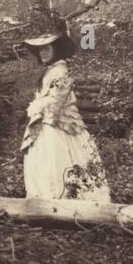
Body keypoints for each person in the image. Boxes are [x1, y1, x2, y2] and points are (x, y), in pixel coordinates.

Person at [20, 30, 111, 202]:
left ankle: (61, 200)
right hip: (47, 121)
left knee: (59, 159)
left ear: (57, 50)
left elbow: (57, 99)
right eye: (40, 50)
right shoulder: (50, 71)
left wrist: (45, 115)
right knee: (45, 161)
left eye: (47, 48)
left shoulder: (60, 70)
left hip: (58, 124)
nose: (43, 53)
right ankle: (46, 199)